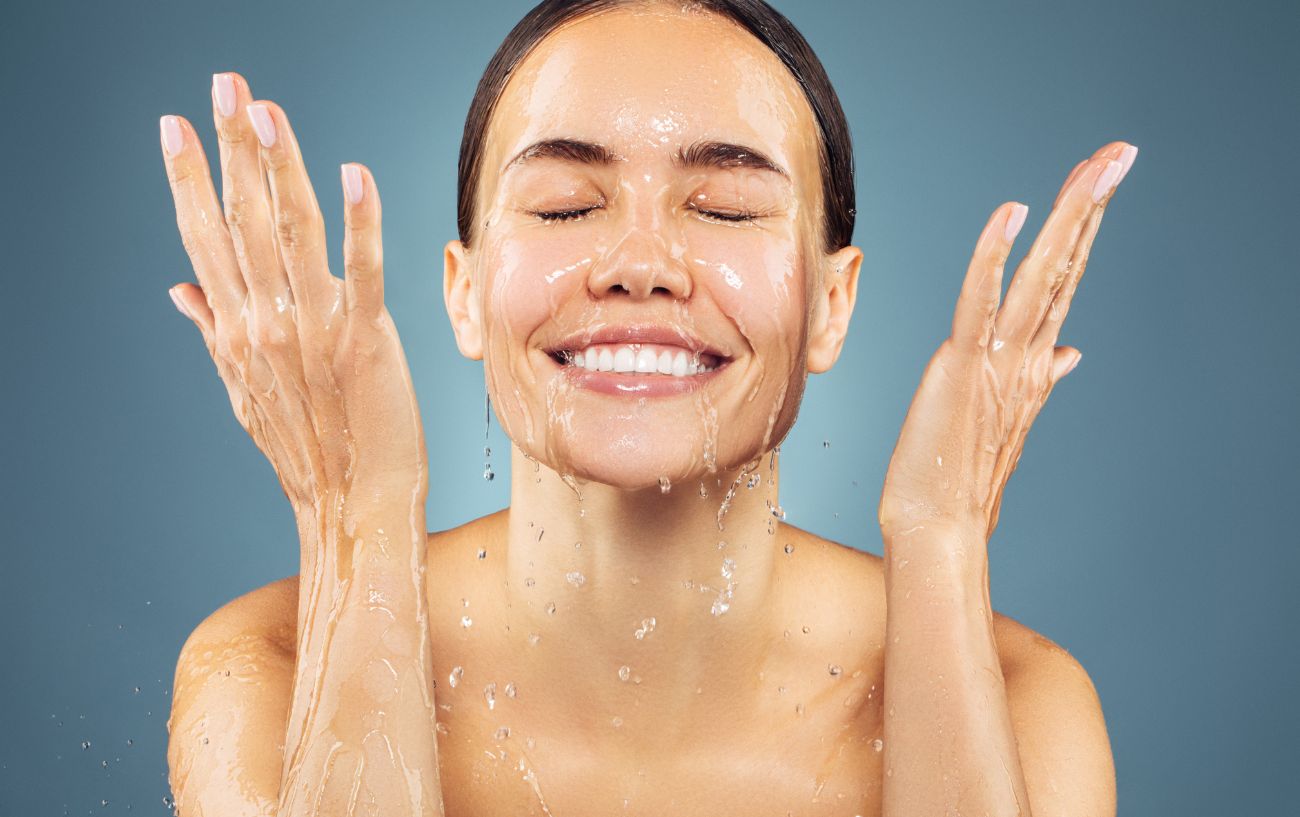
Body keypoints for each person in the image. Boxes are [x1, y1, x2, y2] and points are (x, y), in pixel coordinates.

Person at [158, 1, 1133, 814]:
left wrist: (940, 540)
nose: (637, 265)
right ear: (463, 290)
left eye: (724, 209)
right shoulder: (272, 667)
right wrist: (353, 523)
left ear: (831, 303)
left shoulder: (1013, 698)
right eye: (563, 207)